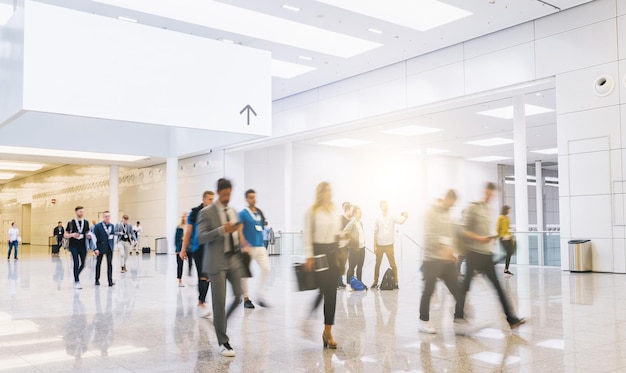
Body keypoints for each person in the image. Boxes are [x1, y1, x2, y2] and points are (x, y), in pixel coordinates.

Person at [459, 183, 525, 330]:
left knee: (498, 287)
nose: (490, 196)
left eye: (492, 194)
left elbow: (490, 229)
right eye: (488, 193)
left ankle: (511, 318)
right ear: (483, 191)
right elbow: (464, 230)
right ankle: (458, 316)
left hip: (486, 254)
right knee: (466, 286)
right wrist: (479, 238)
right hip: (473, 253)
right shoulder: (473, 207)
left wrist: (492, 237)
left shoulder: (489, 209)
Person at [197, 178, 249, 357]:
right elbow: (201, 237)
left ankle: (221, 323)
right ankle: (223, 342)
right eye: (225, 194)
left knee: (238, 297)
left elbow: (235, 233)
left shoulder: (233, 211)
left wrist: (241, 239)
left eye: (229, 194)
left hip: (233, 260)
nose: (227, 197)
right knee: (219, 302)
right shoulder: (206, 212)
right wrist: (221, 230)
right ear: (218, 192)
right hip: (216, 262)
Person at [304, 181, 347, 350]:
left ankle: (328, 331)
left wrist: (342, 239)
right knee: (323, 290)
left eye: (330, 190)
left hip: (333, 253)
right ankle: (308, 320)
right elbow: (307, 234)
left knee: (331, 293)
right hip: (319, 253)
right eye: (326, 191)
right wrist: (309, 256)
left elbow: (336, 232)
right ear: (320, 193)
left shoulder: (333, 210)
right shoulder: (312, 211)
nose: (329, 194)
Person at [418, 190, 465, 334]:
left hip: (446, 261)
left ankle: (460, 320)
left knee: (457, 290)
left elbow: (449, 236)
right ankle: (423, 321)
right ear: (446, 199)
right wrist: (445, 250)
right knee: (429, 290)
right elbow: (431, 236)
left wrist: (453, 251)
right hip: (432, 259)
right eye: (451, 204)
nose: (451, 207)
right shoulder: (431, 212)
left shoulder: (448, 214)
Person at [179, 190, 215, 318]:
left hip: (211, 248)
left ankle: (201, 301)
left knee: (208, 277)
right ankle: (201, 302)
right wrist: (183, 250)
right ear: (203, 199)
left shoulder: (214, 213)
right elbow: (188, 232)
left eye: (213, 199)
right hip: (198, 249)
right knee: (203, 275)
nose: (212, 201)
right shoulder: (194, 213)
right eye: (210, 199)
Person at [239, 189, 271, 309]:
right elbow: (239, 230)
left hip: (260, 246)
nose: (253, 199)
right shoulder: (243, 213)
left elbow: (261, 227)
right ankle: (246, 298)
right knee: (245, 274)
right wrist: (243, 243)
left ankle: (260, 295)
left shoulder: (259, 213)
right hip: (247, 247)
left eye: (254, 197)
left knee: (266, 269)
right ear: (247, 199)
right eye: (251, 197)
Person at [371, 201, 408, 290]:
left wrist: (405, 217)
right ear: (381, 207)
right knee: (377, 264)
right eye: (383, 206)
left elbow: (400, 222)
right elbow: (375, 233)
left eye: (386, 206)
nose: (385, 207)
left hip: (389, 244)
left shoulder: (392, 216)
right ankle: (375, 282)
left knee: (393, 264)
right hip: (379, 244)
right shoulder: (377, 218)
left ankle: (396, 282)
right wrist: (375, 246)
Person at [64, 206, 91, 289]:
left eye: (83, 212)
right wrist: (72, 235)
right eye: (80, 212)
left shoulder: (86, 222)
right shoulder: (71, 223)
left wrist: (89, 235)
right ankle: (77, 281)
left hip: (83, 246)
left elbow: (88, 232)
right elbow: (65, 235)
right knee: (76, 263)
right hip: (73, 246)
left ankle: (76, 275)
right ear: (76, 212)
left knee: (83, 264)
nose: (82, 213)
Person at [343, 206, 366, 285]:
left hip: (362, 248)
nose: (361, 214)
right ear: (355, 213)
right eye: (359, 213)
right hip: (354, 249)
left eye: (361, 213)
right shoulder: (352, 223)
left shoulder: (361, 223)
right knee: (352, 268)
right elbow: (344, 233)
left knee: (360, 266)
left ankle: (359, 283)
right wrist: (350, 243)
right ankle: (349, 284)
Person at [92, 211, 115, 287]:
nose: (107, 218)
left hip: (109, 247)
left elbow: (112, 236)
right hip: (100, 247)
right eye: (106, 216)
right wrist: (95, 249)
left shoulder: (112, 226)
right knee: (98, 263)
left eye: (108, 216)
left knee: (110, 264)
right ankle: (97, 279)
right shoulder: (98, 226)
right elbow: (94, 238)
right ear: (103, 217)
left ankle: (110, 280)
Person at [337, 202, 352, 288]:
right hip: (340, 246)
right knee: (339, 264)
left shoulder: (351, 221)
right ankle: (337, 282)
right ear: (347, 210)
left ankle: (340, 281)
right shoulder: (341, 219)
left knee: (343, 264)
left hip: (347, 246)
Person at [497, 205, 514, 276]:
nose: (510, 211)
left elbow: (509, 228)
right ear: (505, 210)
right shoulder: (500, 218)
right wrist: (496, 237)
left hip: (509, 237)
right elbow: (498, 228)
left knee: (509, 253)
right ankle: (494, 263)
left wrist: (512, 237)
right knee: (507, 253)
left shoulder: (508, 218)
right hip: (502, 237)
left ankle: (506, 269)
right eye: (509, 209)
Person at [175, 213, 187, 287]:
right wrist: (179, 250)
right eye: (185, 216)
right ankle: (180, 281)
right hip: (181, 249)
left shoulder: (190, 226)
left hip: (189, 248)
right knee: (180, 265)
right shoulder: (179, 228)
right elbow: (177, 240)